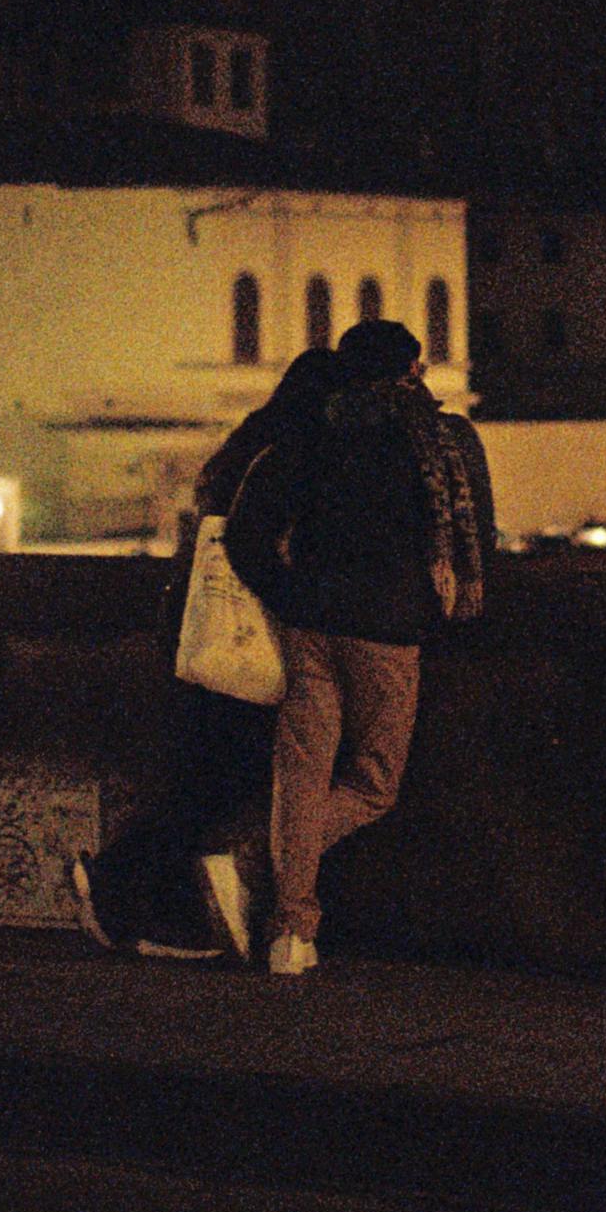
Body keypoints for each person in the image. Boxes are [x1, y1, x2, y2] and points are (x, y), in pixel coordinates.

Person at [219, 316, 495, 974]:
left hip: (310, 627)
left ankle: (291, 935)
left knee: (302, 774)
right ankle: (252, 861)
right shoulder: (441, 439)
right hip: (387, 634)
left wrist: (289, 597)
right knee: (373, 783)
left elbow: (245, 532)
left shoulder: (311, 433)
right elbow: (479, 535)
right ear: (411, 371)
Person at [107, 348, 343, 958]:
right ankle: (136, 894)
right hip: (249, 640)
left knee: (201, 775)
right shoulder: (291, 454)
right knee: (224, 780)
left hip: (203, 632)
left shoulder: (248, 444)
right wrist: (297, 595)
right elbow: (254, 548)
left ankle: (125, 886)